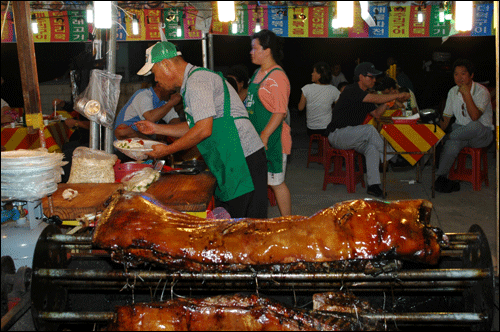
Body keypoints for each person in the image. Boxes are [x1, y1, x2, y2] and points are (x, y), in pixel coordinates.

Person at [134, 41, 268, 219]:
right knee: (235, 223)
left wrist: (166, 150)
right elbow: (195, 126)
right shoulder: (193, 82)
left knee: (245, 227)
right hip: (234, 157)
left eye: (154, 72)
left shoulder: (197, 81)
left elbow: (203, 130)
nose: (155, 79)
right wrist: (156, 128)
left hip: (243, 158)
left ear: (165, 64)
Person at [325, 62, 411, 197]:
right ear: (361, 77)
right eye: (371, 77)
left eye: (375, 78)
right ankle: (393, 157)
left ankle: (373, 186)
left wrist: (388, 103)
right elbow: (374, 98)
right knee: (370, 130)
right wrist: (396, 96)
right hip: (337, 135)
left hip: (352, 135)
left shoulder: (365, 95)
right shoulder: (352, 90)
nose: (374, 80)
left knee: (372, 147)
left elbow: (377, 114)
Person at [247, 29, 292, 216]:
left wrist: (264, 136)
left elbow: (280, 111)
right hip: (255, 137)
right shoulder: (258, 73)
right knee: (257, 182)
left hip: (272, 140)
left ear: (267, 51)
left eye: (254, 48)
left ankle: (288, 222)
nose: (251, 52)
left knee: (276, 183)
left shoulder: (277, 77)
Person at [434, 59, 494, 193]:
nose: (459, 78)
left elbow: (474, 117)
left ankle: (449, 137)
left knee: (474, 126)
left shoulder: (481, 91)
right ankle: (441, 177)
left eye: (463, 74)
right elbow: (446, 118)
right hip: (460, 132)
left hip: (481, 135)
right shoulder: (452, 92)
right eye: (456, 74)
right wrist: (436, 135)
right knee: (451, 145)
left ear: (471, 75)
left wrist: (466, 94)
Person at [114, 81, 181, 140]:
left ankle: (154, 144)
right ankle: (154, 144)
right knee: (122, 130)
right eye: (171, 87)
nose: (173, 90)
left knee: (173, 133)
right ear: (159, 85)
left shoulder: (165, 103)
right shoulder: (143, 95)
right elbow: (150, 118)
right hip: (126, 137)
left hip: (143, 138)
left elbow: (176, 122)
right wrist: (171, 103)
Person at [298, 62, 340, 137]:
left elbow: (300, 108)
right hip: (327, 128)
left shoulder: (306, 88)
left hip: (311, 129)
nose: (312, 74)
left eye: (314, 72)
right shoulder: (334, 90)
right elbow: (340, 108)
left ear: (320, 75)